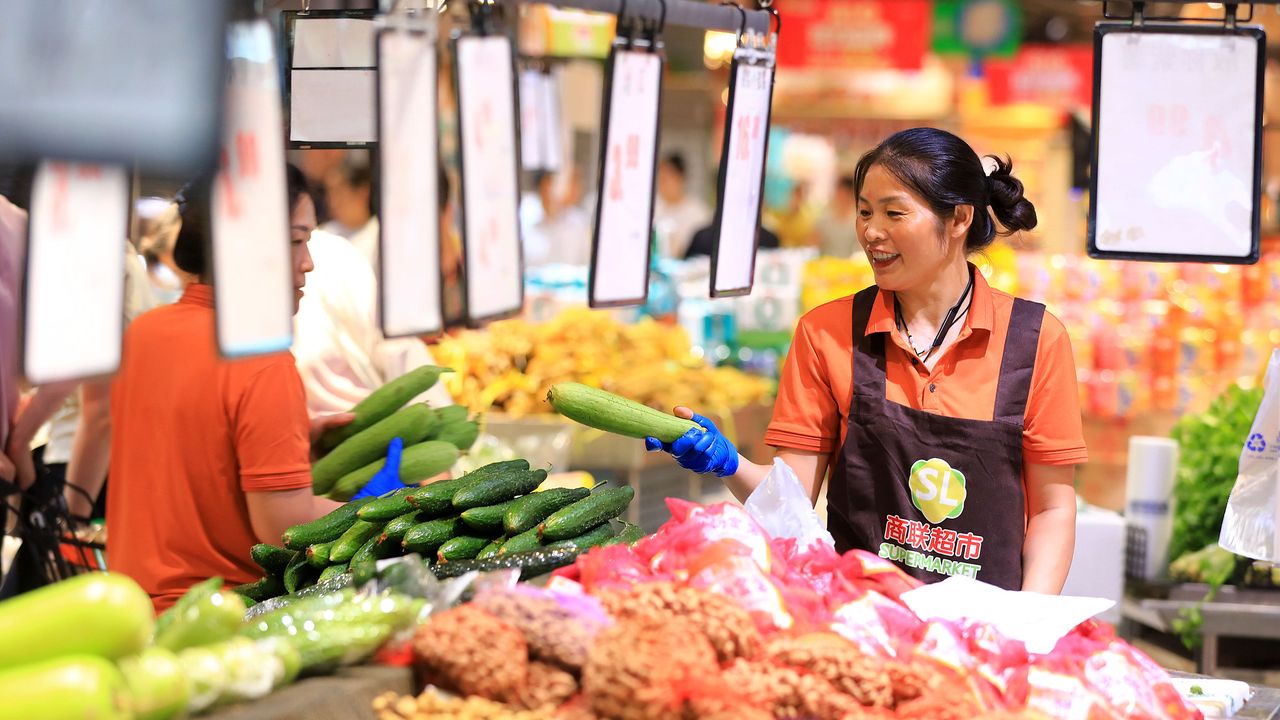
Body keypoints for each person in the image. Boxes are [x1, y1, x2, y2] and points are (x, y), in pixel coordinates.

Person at [647, 128, 1086, 594]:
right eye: (864, 212)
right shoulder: (826, 334)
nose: (872, 232)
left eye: (894, 213)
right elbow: (791, 500)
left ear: (959, 218)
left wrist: (1028, 621)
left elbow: (1052, 509)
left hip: (986, 626)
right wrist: (728, 463)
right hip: (860, 618)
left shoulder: (1035, 341)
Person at [106, 165, 399, 612]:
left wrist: (289, 441)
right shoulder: (261, 361)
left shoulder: (144, 333)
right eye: (296, 241)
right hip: (220, 620)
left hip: (130, 611)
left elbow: (185, 456)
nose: (308, 262)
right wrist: (390, 509)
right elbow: (284, 527)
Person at [293, 165, 453, 417]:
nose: (308, 262)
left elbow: (401, 354)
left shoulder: (336, 259)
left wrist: (439, 418)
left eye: (303, 239)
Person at [522, 168, 592, 268]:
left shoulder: (579, 222)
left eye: (552, 189)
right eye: (545, 190)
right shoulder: (529, 219)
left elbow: (586, 263)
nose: (549, 195)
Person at [320, 154, 378, 268]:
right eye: (329, 193)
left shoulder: (381, 235)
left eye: (340, 192)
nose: (333, 201)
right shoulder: (322, 235)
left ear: (363, 191)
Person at [653, 152, 711, 260]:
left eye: (667, 178)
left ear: (680, 178)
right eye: (660, 177)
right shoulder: (652, 208)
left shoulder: (698, 212)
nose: (663, 183)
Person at [815, 175, 859, 258]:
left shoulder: (857, 221)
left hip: (849, 264)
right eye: (838, 192)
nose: (840, 196)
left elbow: (860, 250)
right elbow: (813, 244)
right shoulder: (824, 219)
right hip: (826, 263)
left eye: (844, 193)